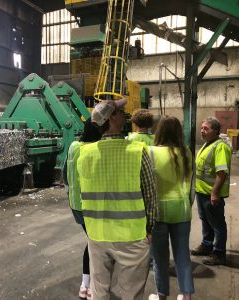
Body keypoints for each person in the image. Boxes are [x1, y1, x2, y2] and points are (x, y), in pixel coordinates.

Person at [77, 98, 157, 300]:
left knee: (100, 292)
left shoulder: (84, 154)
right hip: (131, 235)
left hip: (97, 234)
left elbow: (82, 193)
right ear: (111, 118)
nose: (125, 115)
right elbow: (150, 195)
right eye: (121, 112)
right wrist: (150, 229)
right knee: (131, 293)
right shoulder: (137, 152)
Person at [147, 116, 194, 300]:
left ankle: (162, 296)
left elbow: (147, 186)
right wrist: (187, 206)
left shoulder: (150, 152)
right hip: (182, 211)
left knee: (160, 259)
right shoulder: (187, 152)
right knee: (183, 255)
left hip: (158, 213)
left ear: (159, 131)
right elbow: (192, 186)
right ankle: (186, 295)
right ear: (179, 132)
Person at [63, 118, 103, 300]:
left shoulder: (73, 147)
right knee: (95, 246)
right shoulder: (94, 150)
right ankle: (90, 287)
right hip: (91, 206)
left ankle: (85, 286)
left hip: (76, 206)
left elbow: (65, 174)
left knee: (92, 243)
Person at [191, 117, 232, 265]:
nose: (202, 131)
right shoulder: (208, 144)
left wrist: (215, 193)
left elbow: (222, 173)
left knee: (217, 224)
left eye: (206, 129)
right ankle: (207, 245)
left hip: (211, 194)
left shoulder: (220, 147)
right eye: (202, 128)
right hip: (202, 192)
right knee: (205, 221)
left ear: (215, 131)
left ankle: (219, 253)